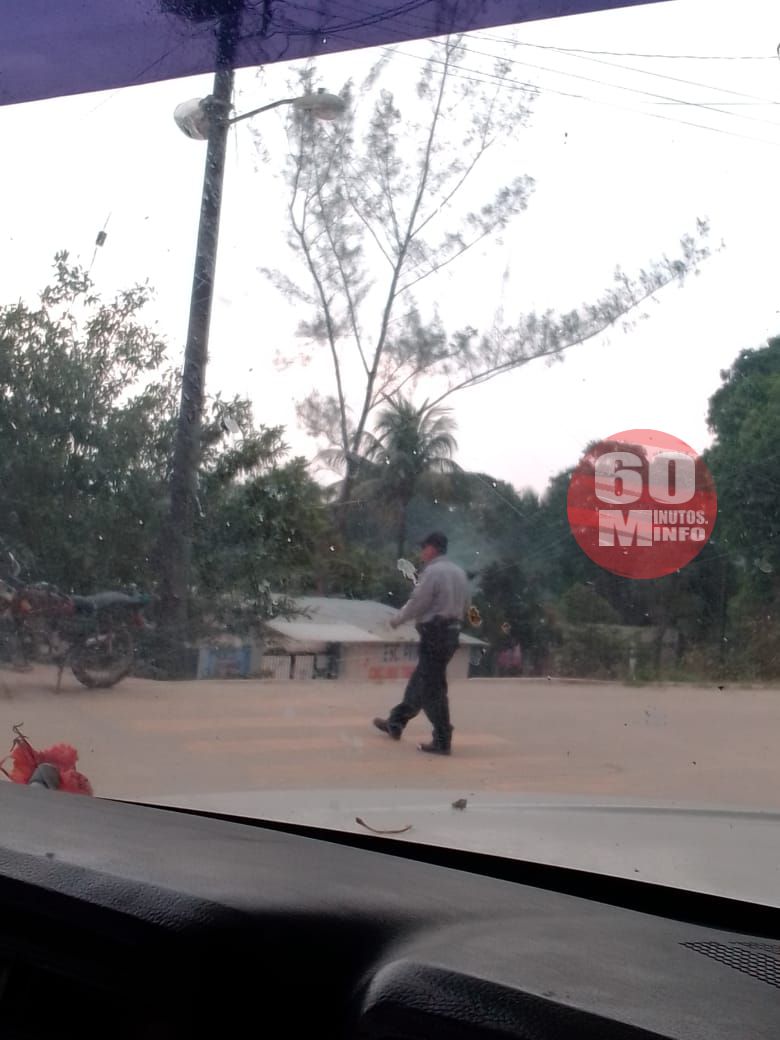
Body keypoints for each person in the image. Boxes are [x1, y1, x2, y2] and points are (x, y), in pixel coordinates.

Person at [373, 531, 469, 755]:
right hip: (451, 634)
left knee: (431, 689)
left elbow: (418, 602)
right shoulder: (459, 573)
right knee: (422, 681)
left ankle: (442, 739)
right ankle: (396, 722)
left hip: (435, 634)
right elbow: (466, 604)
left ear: (432, 548)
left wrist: (396, 620)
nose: (422, 552)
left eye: (424, 548)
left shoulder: (433, 572)